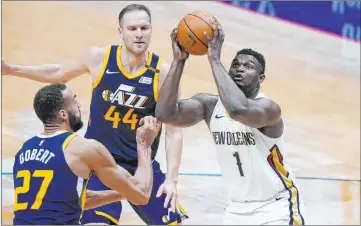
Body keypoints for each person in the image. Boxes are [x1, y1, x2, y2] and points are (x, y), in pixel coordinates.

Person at [2, 4, 187, 225]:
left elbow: (174, 131)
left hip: (142, 164)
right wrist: (12, 69)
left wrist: (172, 180)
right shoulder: (99, 58)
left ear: (151, 30)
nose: (139, 34)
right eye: (133, 28)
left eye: (144, 28)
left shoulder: (163, 72)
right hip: (100, 163)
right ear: (121, 31)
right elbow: (59, 73)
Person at [155, 26, 306, 225]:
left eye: (248, 66)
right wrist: (179, 61)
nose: (240, 69)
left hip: (276, 207)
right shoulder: (209, 106)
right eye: (235, 64)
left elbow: (238, 110)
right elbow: (166, 114)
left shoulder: (269, 109)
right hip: (236, 210)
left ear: (261, 78)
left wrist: (215, 60)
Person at [13, 83, 159, 225]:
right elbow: (142, 194)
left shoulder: (24, 151)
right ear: (63, 114)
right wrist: (144, 145)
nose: (79, 106)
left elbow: (68, 201)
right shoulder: (83, 148)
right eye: (74, 101)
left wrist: (123, 193)